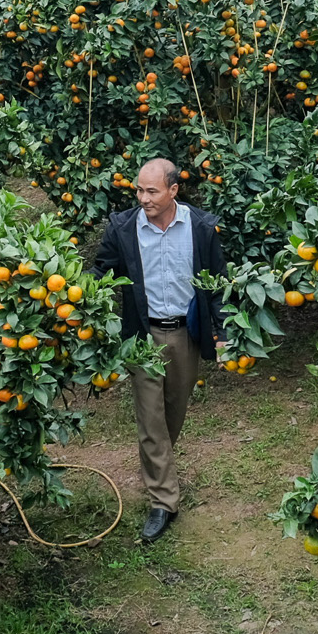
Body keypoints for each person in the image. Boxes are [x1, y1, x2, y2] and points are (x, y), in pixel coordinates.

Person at [93, 156, 224, 543]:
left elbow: (216, 283)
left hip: (184, 334)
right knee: (150, 418)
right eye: (139, 189)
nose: (143, 198)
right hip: (143, 336)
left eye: (151, 191)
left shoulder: (201, 228)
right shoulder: (124, 228)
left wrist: (224, 331)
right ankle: (163, 500)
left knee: (172, 412)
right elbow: (102, 271)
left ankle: (157, 465)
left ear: (173, 190)